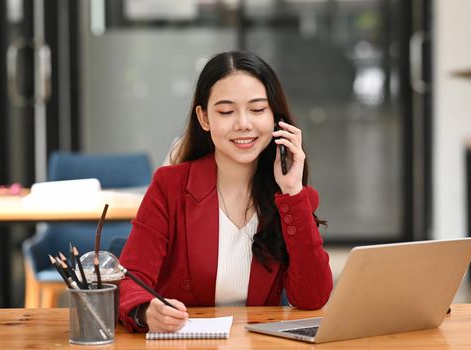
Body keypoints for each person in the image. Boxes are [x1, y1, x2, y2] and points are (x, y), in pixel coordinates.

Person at [118, 51, 333, 333]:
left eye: (257, 110)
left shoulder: (292, 198)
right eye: (226, 111)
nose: (243, 123)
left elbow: (312, 298)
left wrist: (292, 191)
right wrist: (146, 310)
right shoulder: (169, 186)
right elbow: (129, 279)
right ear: (204, 118)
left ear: (275, 119)